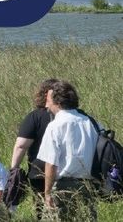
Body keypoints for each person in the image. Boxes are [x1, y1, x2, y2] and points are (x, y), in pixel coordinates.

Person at [36, 80, 98, 221]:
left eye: (48, 101)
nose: (46, 105)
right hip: (89, 187)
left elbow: (51, 163)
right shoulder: (91, 123)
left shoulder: (55, 126)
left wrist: (47, 193)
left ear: (57, 102)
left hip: (64, 187)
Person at [9, 78, 59, 218]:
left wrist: (14, 169)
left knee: (40, 208)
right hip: (64, 170)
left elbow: (21, 145)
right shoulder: (67, 117)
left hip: (38, 171)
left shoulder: (34, 117)